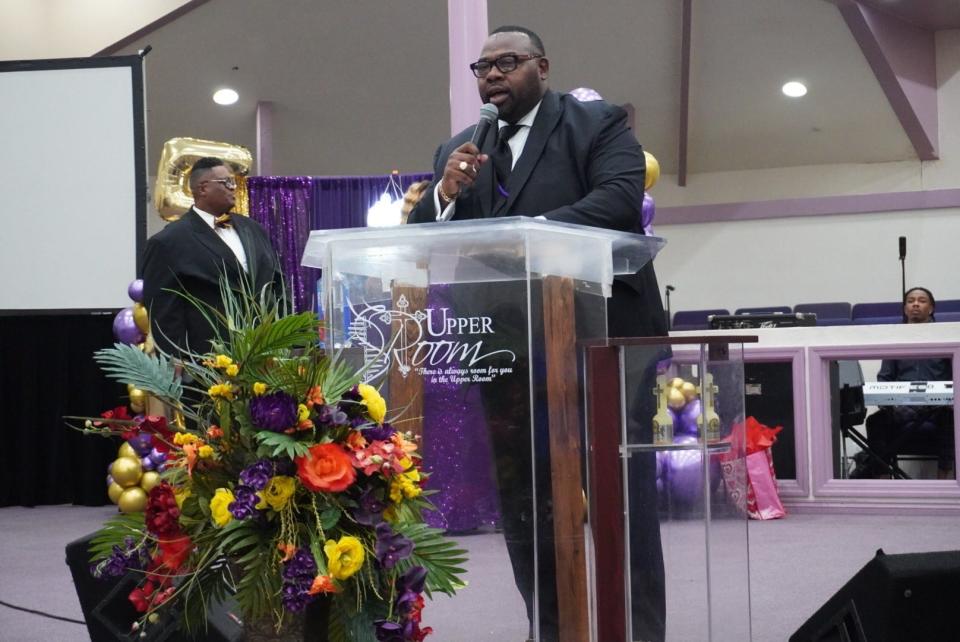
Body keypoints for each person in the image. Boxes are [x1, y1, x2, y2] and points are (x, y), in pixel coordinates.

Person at [408, 25, 667, 641]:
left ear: (542, 67)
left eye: (507, 63)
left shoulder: (597, 123)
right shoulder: (463, 147)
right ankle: (550, 629)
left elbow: (619, 201)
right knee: (527, 503)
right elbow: (424, 231)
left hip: (604, 342)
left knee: (619, 501)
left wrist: (525, 233)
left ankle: (636, 632)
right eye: (482, 66)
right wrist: (445, 192)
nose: (491, 75)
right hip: (509, 349)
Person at [141, 157, 284, 357]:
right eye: (227, 182)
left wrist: (284, 337)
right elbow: (163, 309)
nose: (234, 188)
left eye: (233, 182)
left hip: (265, 356)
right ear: (203, 189)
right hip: (207, 361)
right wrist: (176, 358)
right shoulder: (169, 241)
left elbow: (277, 283)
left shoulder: (254, 229)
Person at [854, 287, 954, 479]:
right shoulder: (895, 339)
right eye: (911, 301)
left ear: (931, 308)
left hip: (938, 407)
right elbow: (885, 377)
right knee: (876, 421)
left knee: (950, 420)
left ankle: (945, 480)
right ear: (905, 308)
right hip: (903, 407)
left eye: (922, 300)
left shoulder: (947, 337)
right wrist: (888, 403)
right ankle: (884, 478)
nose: (915, 304)